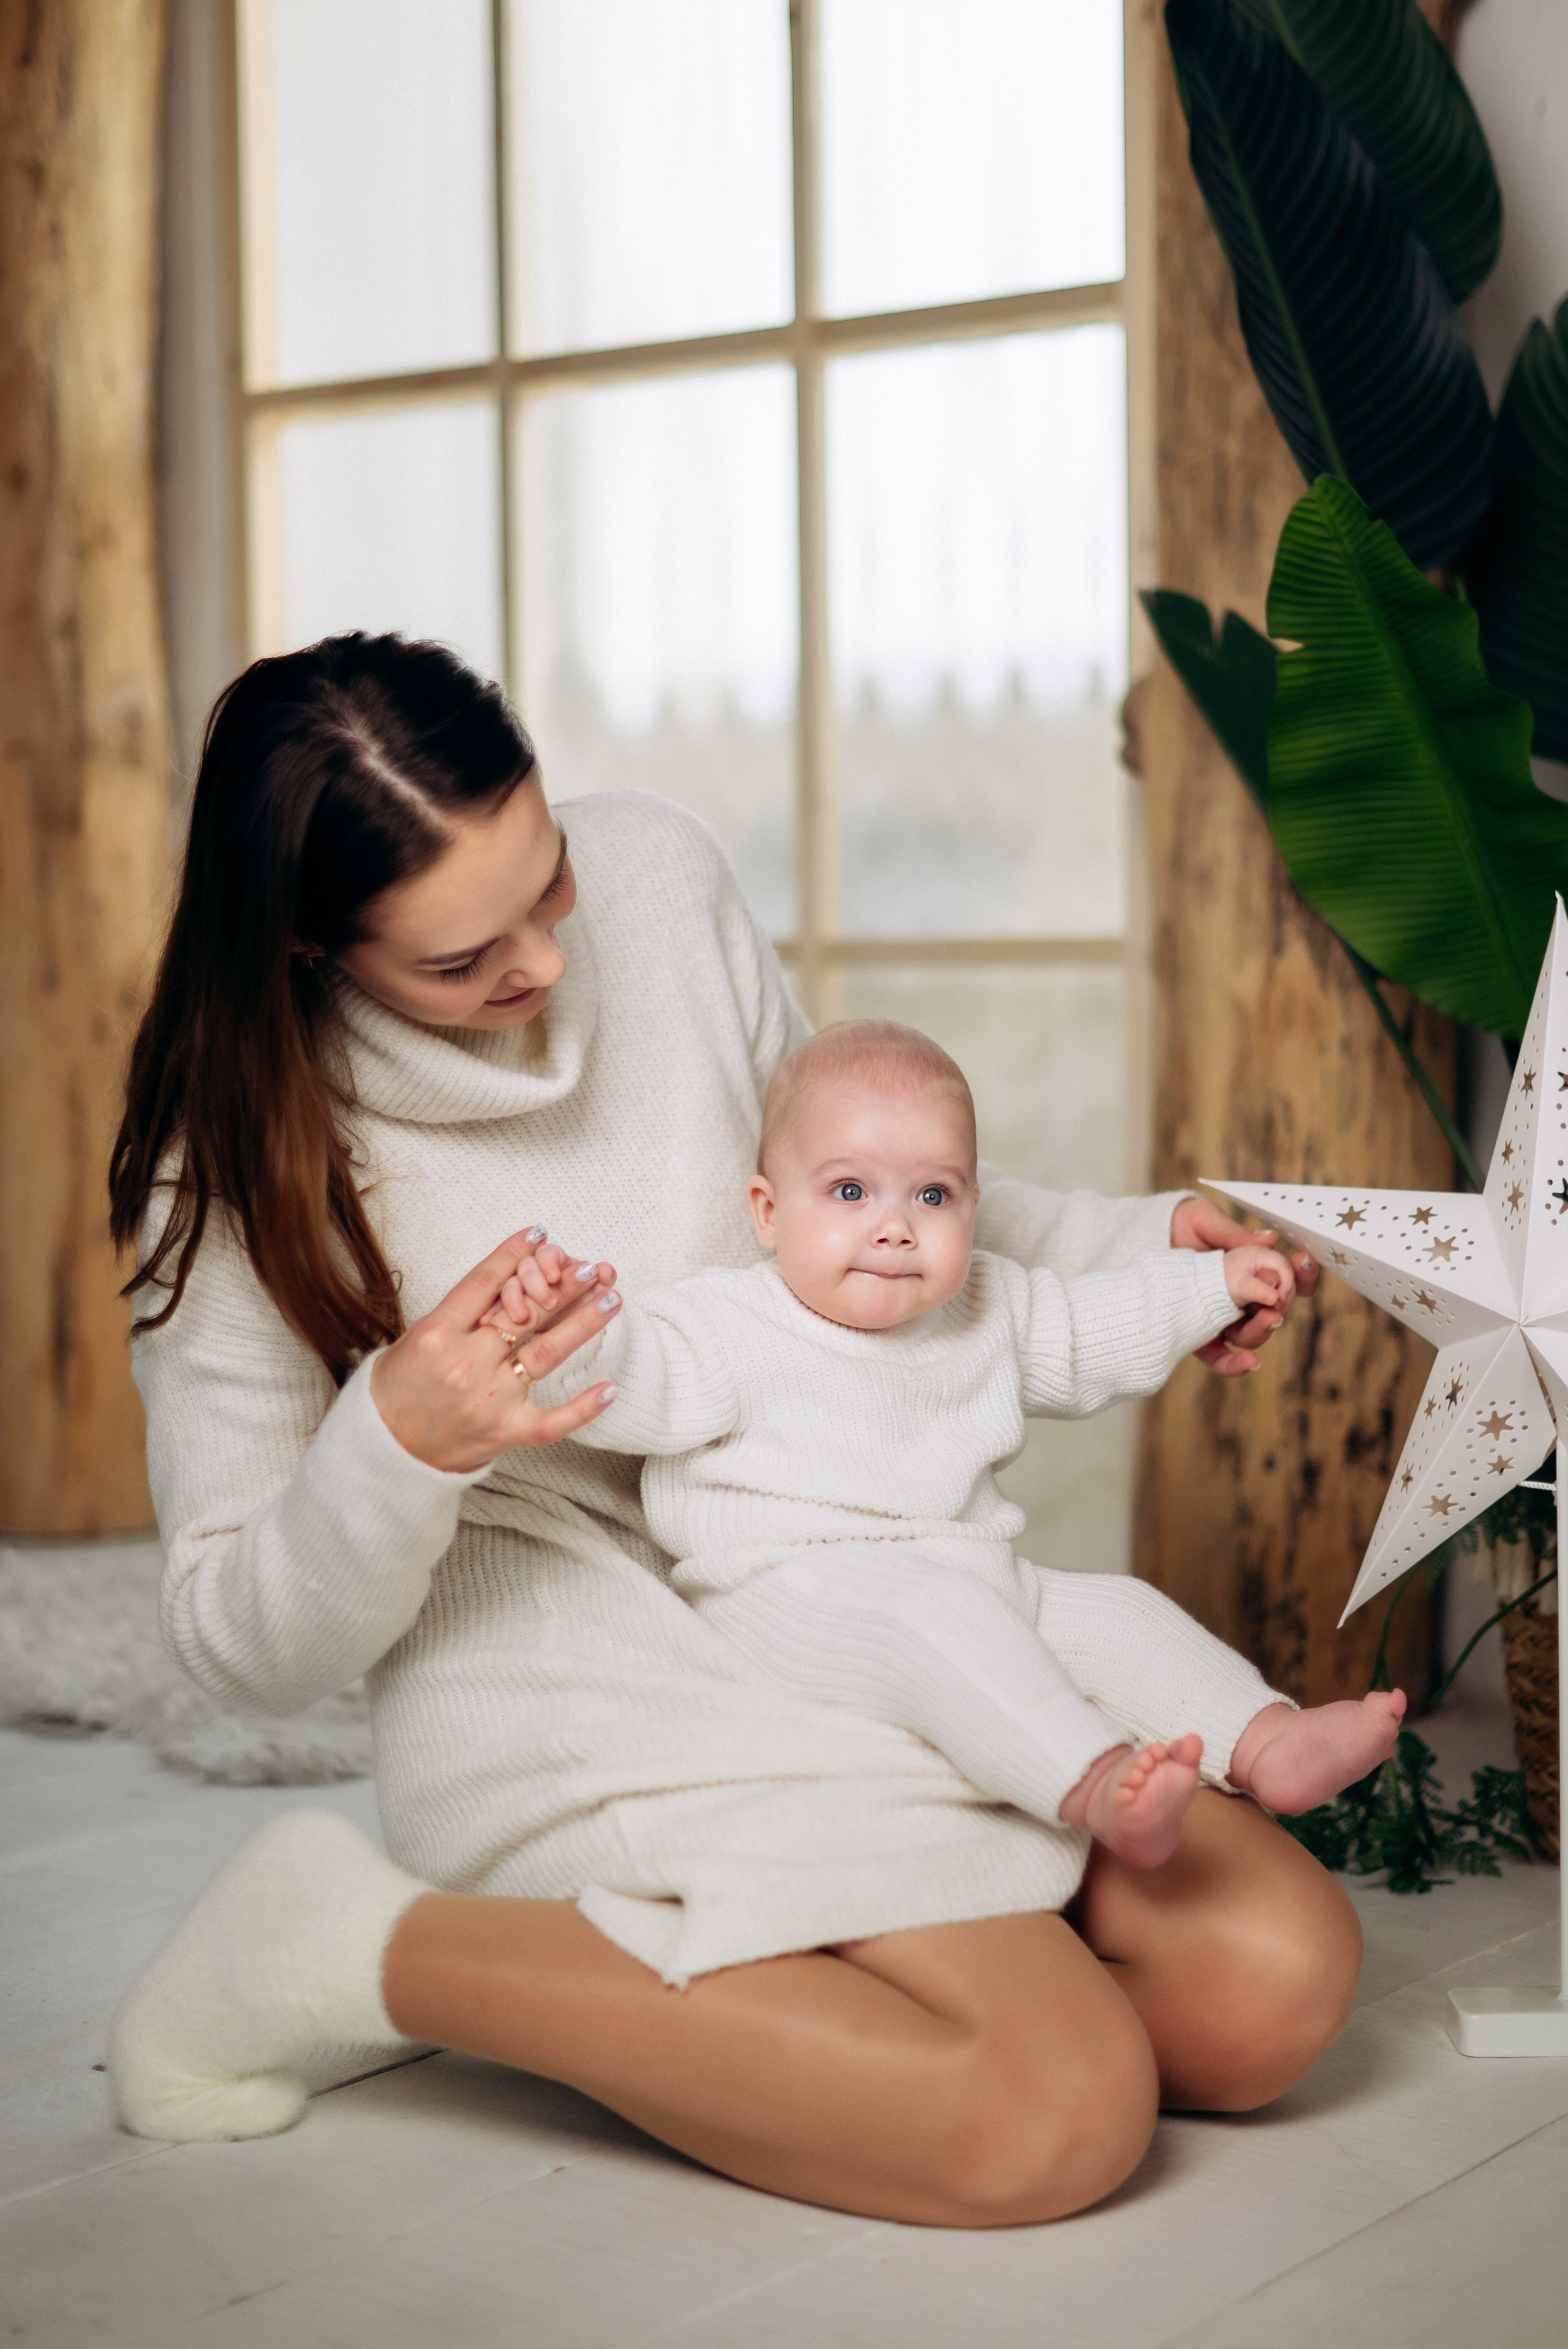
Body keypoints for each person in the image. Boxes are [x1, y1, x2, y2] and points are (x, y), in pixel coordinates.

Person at [107, 633, 1357, 2230]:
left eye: (545, 882)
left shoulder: (655, 875)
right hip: (568, 1654)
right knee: (1054, 2108)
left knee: (1273, 1980)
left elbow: (837, 1188)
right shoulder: (239, 1166)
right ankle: (337, 1945)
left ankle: (781, 1952)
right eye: (461, 959)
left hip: (821, 1561)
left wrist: (1141, 1250)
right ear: (310, 944)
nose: (546, 965)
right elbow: (237, 1639)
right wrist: (402, 1439)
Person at [516, 1019, 1406, 1871]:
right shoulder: (727, 1324)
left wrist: (1208, 1287)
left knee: (1114, 1615)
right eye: (850, 1191)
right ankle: (1094, 1785)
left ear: (974, 1208)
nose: (896, 1226)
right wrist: (564, 1335)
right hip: (788, 1595)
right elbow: (638, 1379)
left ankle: (1266, 1739)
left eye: (933, 1195)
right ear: (768, 1211)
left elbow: (1092, 1329)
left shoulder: (987, 1305)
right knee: (934, 1627)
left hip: (972, 1573)